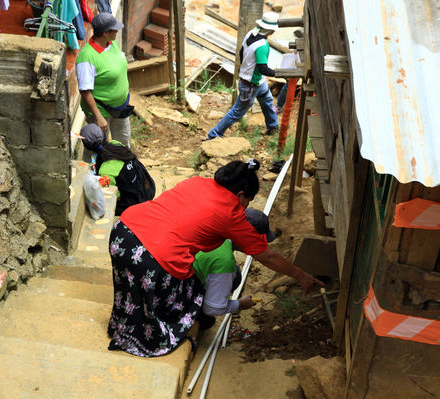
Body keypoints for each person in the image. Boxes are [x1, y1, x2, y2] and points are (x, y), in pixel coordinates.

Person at [107, 159, 323, 357]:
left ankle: (126, 325)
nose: (246, 206)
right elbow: (266, 256)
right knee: (190, 296)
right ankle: (151, 335)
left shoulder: (197, 182)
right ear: (239, 195)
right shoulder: (230, 213)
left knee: (138, 285)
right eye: (249, 200)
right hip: (151, 259)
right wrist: (301, 276)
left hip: (123, 234)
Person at [193, 208, 276, 330]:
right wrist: (239, 304)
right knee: (207, 321)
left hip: (174, 273)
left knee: (235, 274)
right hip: (173, 295)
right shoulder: (225, 261)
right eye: (257, 240)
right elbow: (212, 309)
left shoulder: (215, 224)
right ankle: (196, 315)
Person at [207, 12, 280, 140]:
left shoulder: (251, 33)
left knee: (267, 100)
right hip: (250, 84)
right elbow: (263, 68)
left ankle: (273, 127)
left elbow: (241, 53)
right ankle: (214, 135)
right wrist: (278, 73)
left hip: (257, 81)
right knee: (237, 112)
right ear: (271, 30)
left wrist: (246, 67)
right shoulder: (262, 45)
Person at [76, 12, 132, 147]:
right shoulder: (87, 58)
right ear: (105, 33)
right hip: (102, 112)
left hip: (120, 107)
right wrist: (98, 117)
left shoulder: (111, 44)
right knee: (99, 149)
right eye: (114, 29)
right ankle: (95, 168)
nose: (117, 31)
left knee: (123, 144)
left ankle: (124, 167)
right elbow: (85, 91)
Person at [79, 123, 154, 215]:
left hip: (133, 204)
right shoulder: (116, 144)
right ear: (103, 135)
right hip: (146, 190)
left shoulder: (105, 170)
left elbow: (114, 195)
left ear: (87, 147)